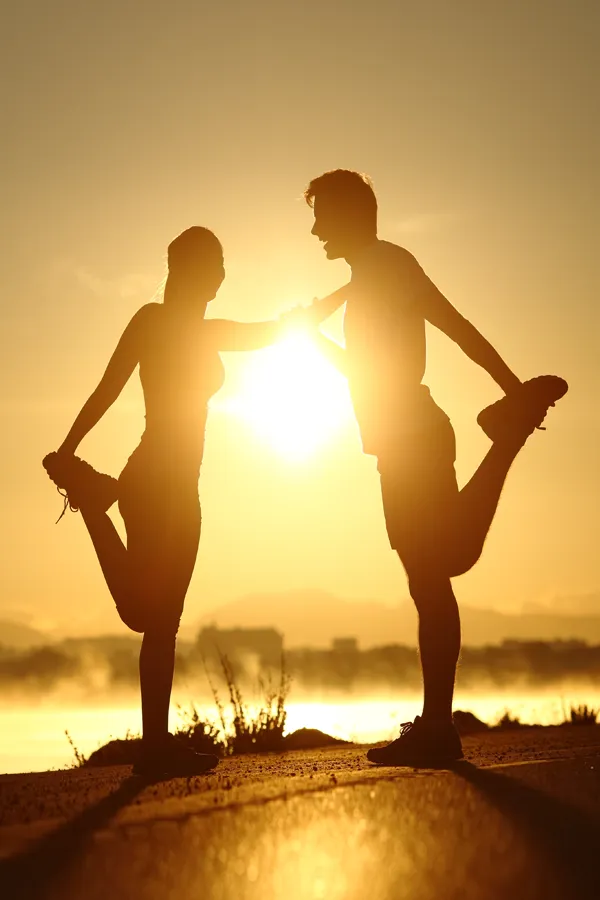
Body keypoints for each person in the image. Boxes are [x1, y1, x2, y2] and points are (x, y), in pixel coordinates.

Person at [300, 170, 568, 766]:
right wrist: (313, 341)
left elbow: (456, 327)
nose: (315, 229)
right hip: (402, 438)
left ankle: (437, 729)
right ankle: (437, 727)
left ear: (348, 215)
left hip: (412, 436)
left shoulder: (391, 267)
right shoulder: (372, 275)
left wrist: (512, 387)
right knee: (437, 571)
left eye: (321, 216)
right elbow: (371, 370)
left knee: (439, 571)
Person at [42, 226, 302, 777]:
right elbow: (108, 388)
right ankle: (155, 747)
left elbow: (263, 334)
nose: (223, 275)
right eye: (217, 265)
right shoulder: (162, 322)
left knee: (152, 618)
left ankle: (155, 745)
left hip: (163, 482)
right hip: (162, 482)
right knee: (153, 619)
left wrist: (310, 315)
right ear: (194, 271)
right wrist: (68, 447)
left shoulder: (193, 328)